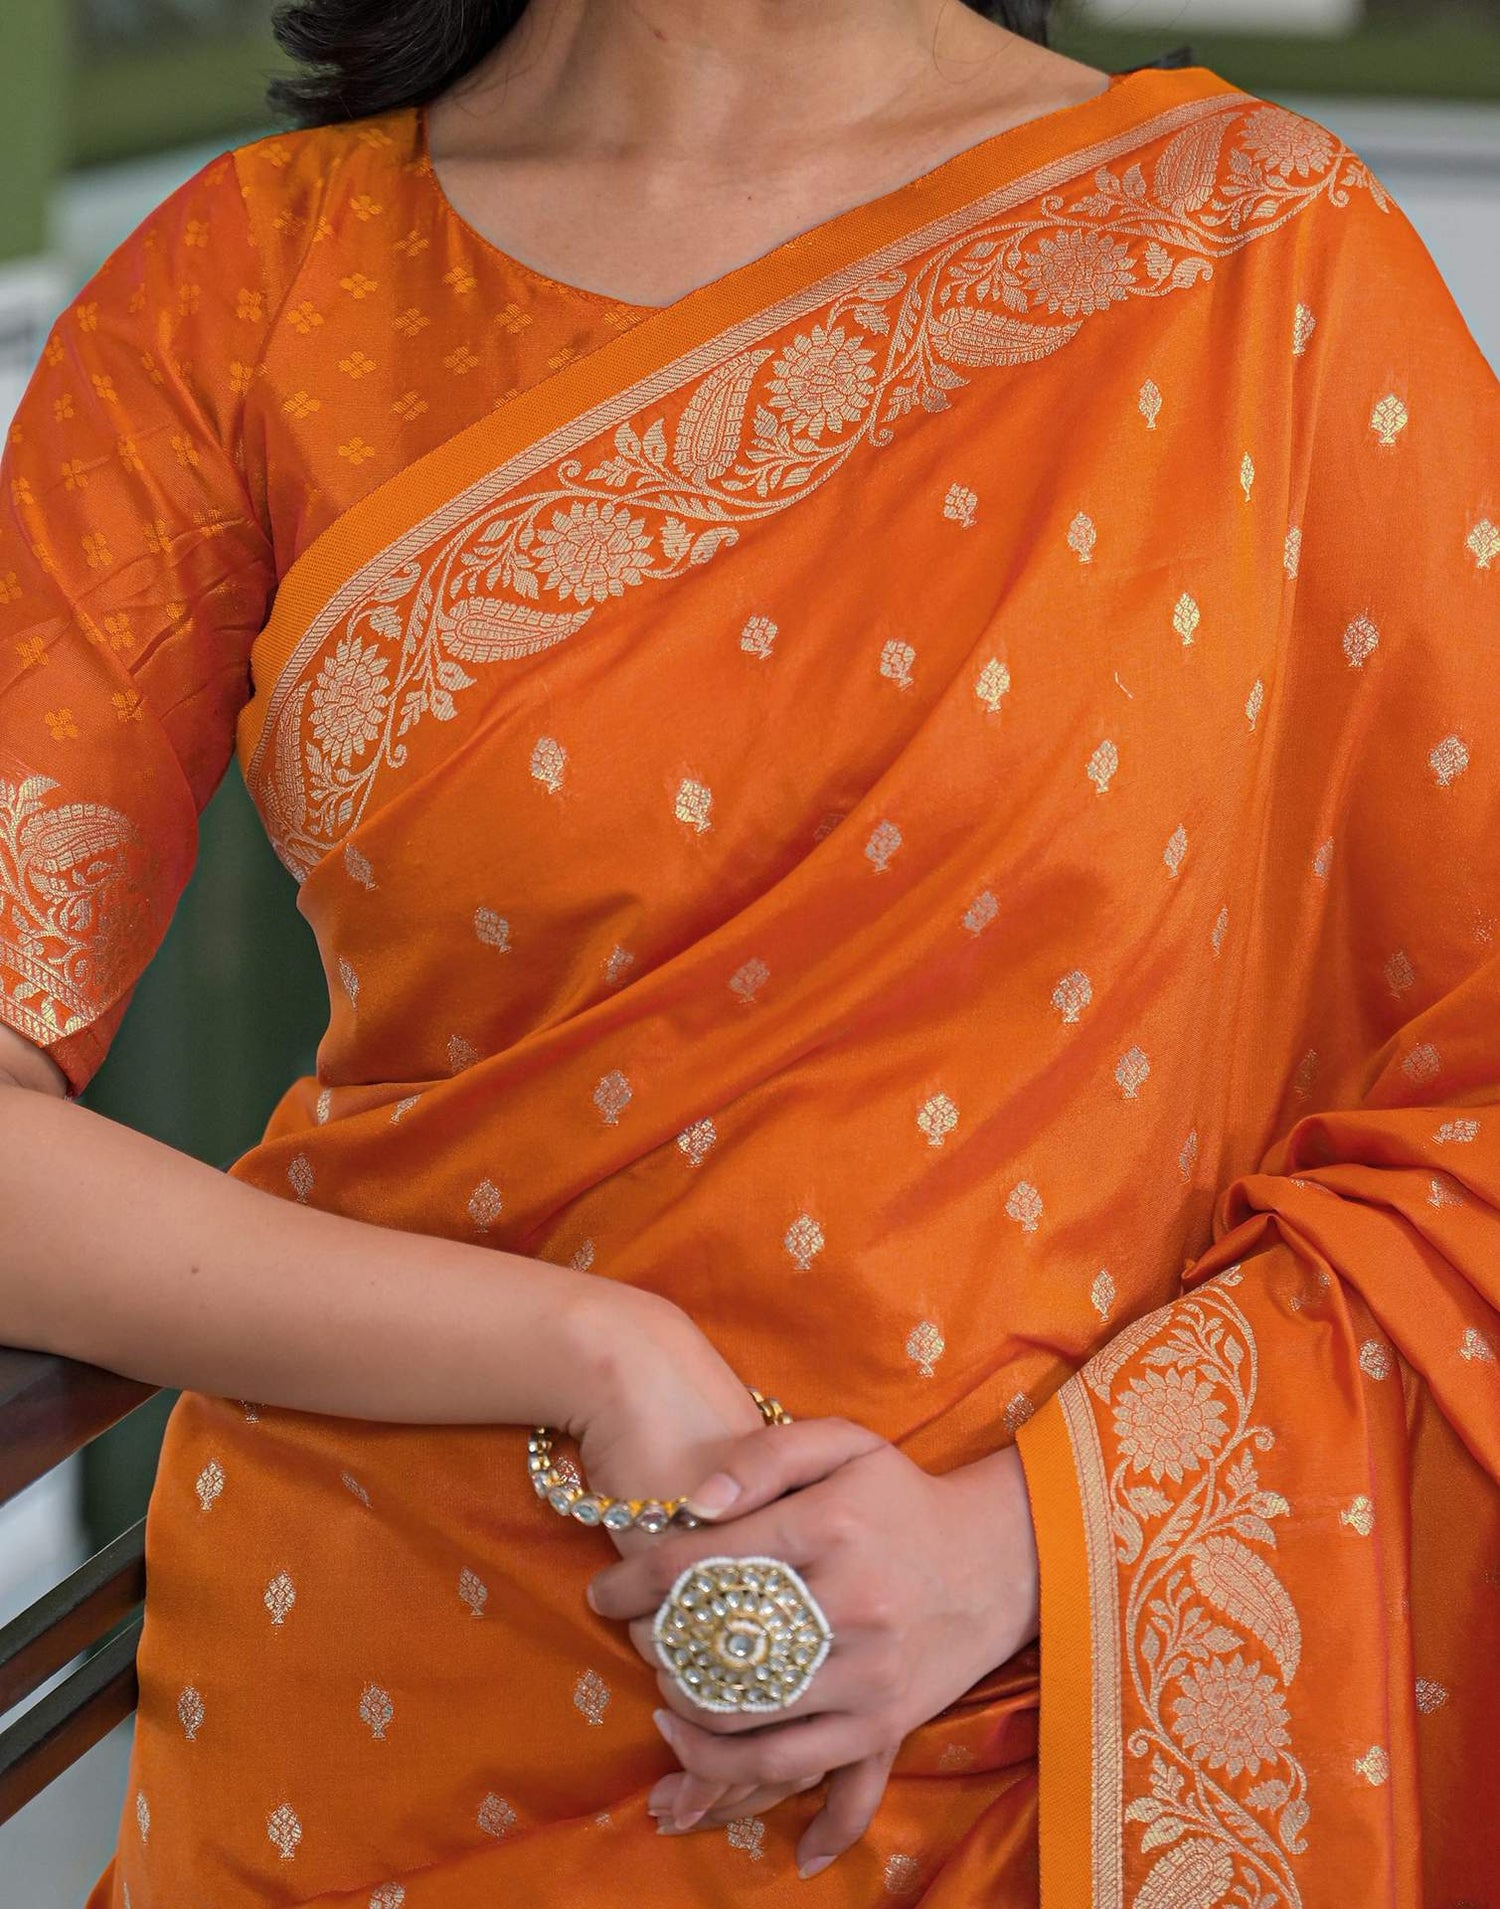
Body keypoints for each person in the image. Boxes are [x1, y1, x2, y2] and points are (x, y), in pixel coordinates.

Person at [1, 0, 1496, 1900]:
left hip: (1024, 1736)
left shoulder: (1256, 265)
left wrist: (1018, 1543)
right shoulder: (260, 281)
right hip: (368, 1718)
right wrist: (579, 1343)